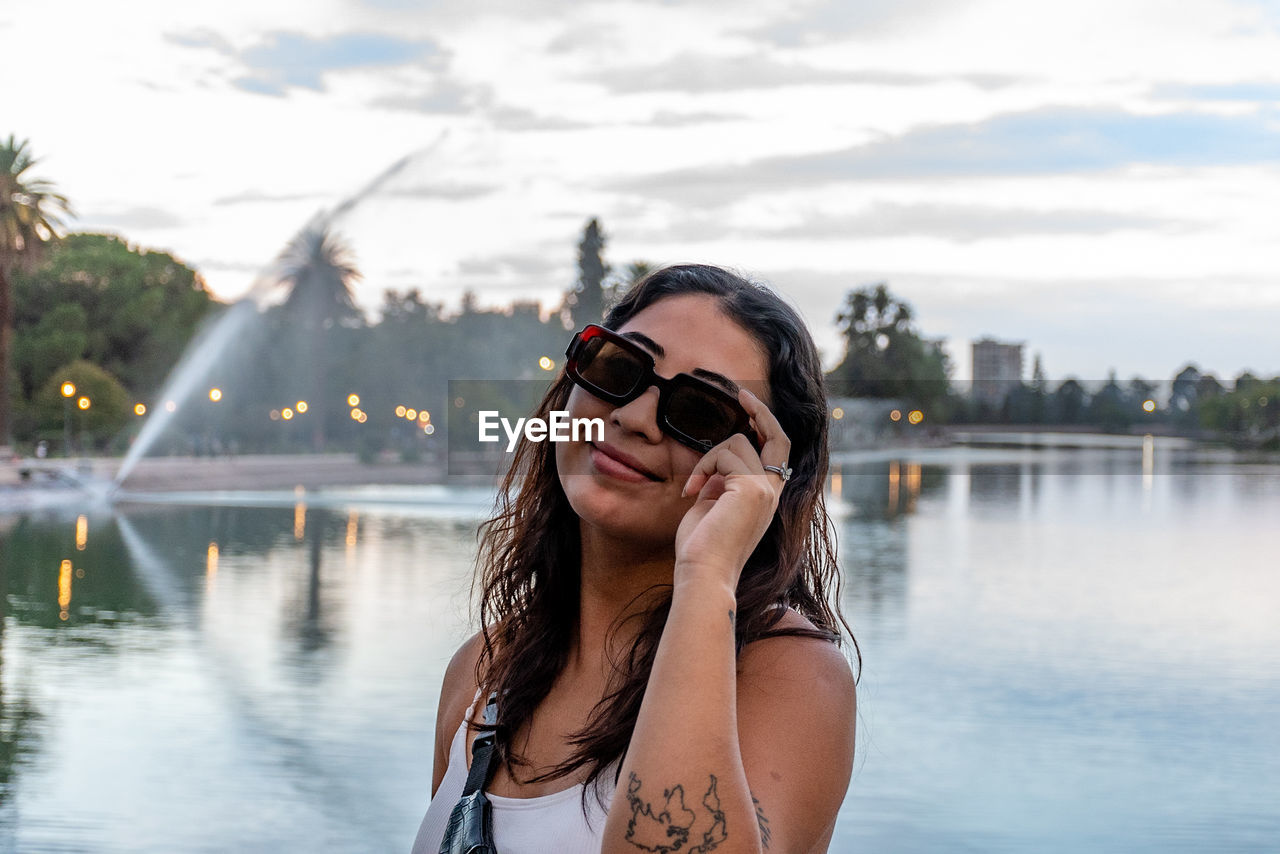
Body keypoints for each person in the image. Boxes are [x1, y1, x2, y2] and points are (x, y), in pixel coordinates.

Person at [413, 264, 858, 854]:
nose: (634, 417)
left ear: (764, 474)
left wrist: (706, 577)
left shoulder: (789, 678)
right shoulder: (482, 671)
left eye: (699, 411)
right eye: (619, 369)